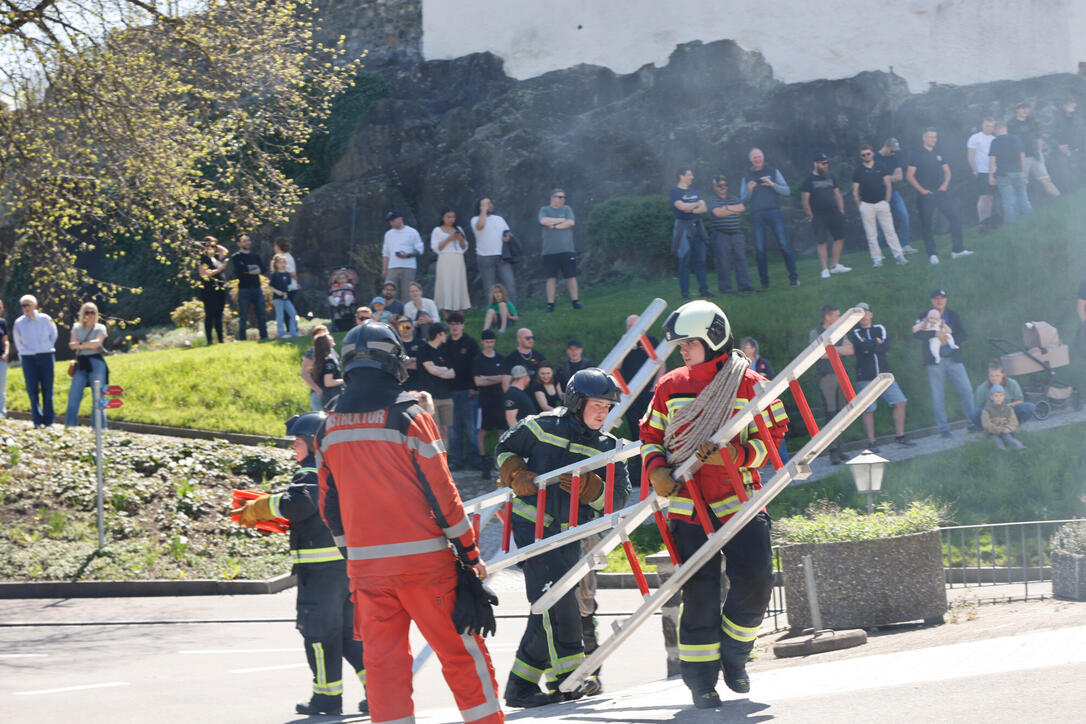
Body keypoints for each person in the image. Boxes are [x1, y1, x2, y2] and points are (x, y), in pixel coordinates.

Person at [316, 322, 503, 724]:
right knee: (461, 656)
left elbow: (328, 507)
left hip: (367, 571)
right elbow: (445, 496)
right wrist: (470, 555)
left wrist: (354, 555)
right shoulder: (410, 416)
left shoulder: (327, 425)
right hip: (425, 567)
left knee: (384, 669)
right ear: (394, 362)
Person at [640, 300, 787, 709]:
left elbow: (774, 437)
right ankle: (700, 681)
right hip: (688, 504)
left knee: (757, 580)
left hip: (740, 499)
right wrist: (656, 471)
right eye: (681, 345)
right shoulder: (669, 386)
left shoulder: (752, 384)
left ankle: (735, 657)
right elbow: (650, 435)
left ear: (713, 338)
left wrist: (738, 457)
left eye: (689, 343)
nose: (683, 350)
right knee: (700, 594)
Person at [496, 368, 630, 707]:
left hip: (572, 535)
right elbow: (503, 447)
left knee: (547, 607)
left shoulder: (610, 447)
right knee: (559, 599)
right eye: (597, 405)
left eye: (607, 407)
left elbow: (617, 499)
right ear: (575, 402)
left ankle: (520, 687)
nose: (603, 413)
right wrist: (516, 473)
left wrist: (592, 488)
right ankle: (569, 679)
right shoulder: (540, 426)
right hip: (534, 531)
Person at [232, 411, 367, 717]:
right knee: (348, 636)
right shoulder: (341, 470)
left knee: (318, 636)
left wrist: (264, 505)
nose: (293, 448)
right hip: (344, 571)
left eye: (297, 442)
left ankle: (326, 699)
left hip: (318, 576)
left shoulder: (309, 473)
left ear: (312, 442)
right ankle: (378, 690)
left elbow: (302, 503)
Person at [847, 303, 917, 451]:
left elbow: (885, 347)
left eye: (866, 312)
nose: (864, 316)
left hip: (885, 375)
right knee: (869, 409)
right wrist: (874, 343)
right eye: (860, 313)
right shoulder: (855, 331)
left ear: (871, 314)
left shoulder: (880, 328)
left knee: (901, 402)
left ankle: (900, 436)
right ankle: (871, 442)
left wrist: (871, 346)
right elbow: (863, 348)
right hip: (865, 376)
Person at [913, 289, 977, 438]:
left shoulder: (952, 315)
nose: (939, 301)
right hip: (935, 362)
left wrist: (948, 339)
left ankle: (972, 424)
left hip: (953, 358)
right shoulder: (924, 316)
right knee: (938, 396)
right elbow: (916, 333)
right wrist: (935, 334)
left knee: (967, 391)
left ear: (946, 300)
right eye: (936, 298)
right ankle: (943, 429)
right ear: (932, 301)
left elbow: (963, 334)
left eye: (942, 298)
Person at [906, 128, 973, 265]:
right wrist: (922, 190)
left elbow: (947, 172)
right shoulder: (917, 154)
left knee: (955, 217)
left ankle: (957, 250)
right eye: (931, 137)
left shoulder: (939, 152)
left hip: (941, 192)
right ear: (924, 138)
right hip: (926, 195)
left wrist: (945, 184)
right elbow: (909, 175)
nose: (933, 140)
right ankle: (932, 254)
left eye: (935, 137)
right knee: (927, 224)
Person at [741, 148, 798, 288]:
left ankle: (794, 278)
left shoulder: (773, 171)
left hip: (774, 212)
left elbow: (787, 191)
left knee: (784, 245)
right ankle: (764, 283)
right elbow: (743, 200)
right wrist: (750, 190)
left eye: (759, 156)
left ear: (763, 157)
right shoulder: (747, 177)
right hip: (756, 214)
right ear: (751, 159)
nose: (757, 159)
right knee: (760, 249)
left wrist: (772, 184)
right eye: (754, 157)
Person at [809, 304, 854, 464]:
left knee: (842, 413)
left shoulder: (840, 330)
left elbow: (850, 350)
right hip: (826, 377)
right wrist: (838, 349)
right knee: (830, 414)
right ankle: (833, 450)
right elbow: (819, 354)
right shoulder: (816, 332)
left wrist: (831, 349)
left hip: (841, 375)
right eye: (836, 315)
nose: (838, 318)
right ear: (827, 317)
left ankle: (840, 447)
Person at [852, 144, 907, 267]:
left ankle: (899, 255)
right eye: (863, 155)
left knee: (890, 231)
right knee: (871, 234)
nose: (866, 156)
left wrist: (886, 201)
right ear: (861, 156)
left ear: (872, 153)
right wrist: (859, 205)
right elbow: (855, 190)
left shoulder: (881, 166)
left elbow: (888, 184)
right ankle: (877, 259)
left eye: (868, 153)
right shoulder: (858, 170)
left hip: (882, 203)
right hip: (866, 205)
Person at [738, 336, 790, 463]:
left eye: (747, 346)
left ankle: (784, 464)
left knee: (777, 434)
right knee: (752, 438)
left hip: (767, 406)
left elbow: (773, 379)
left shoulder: (763, 363)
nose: (743, 349)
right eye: (742, 347)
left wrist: (761, 378)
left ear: (754, 348)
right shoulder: (739, 366)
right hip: (749, 408)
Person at [801, 153, 852, 279]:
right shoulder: (808, 180)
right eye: (823, 163)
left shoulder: (831, 177)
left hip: (834, 213)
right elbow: (805, 200)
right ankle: (824, 269)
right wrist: (811, 215)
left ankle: (834, 266)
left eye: (827, 163)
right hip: (819, 215)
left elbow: (837, 194)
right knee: (822, 242)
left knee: (840, 238)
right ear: (816, 164)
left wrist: (841, 210)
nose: (826, 165)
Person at [445, 312, 483, 471]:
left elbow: (478, 365)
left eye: (457, 323)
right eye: (451, 324)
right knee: (454, 428)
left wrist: (474, 387)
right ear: (448, 326)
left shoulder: (470, 343)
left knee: (470, 427)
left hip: (468, 392)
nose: (454, 326)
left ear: (462, 325)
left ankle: (474, 459)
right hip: (450, 392)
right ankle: (457, 460)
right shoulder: (445, 343)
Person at [12, 295, 58, 427]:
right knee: (32, 390)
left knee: (47, 389)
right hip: (28, 357)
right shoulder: (19, 322)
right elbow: (18, 340)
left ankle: (49, 421)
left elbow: (53, 335)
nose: (26, 308)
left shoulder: (46, 319)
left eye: (28, 305)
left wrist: (46, 348)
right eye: (23, 305)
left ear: (35, 305)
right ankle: (37, 420)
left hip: (46, 355)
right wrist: (24, 353)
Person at [64, 302, 109, 428]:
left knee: (98, 396)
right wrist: (87, 344)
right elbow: (72, 344)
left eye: (93, 312)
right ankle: (70, 426)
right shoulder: (76, 327)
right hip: (81, 362)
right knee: (74, 394)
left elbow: (98, 343)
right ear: (82, 314)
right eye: (87, 312)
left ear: (96, 314)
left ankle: (99, 428)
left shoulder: (100, 327)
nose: (90, 315)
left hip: (96, 362)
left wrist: (80, 344)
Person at [670, 167, 712, 300]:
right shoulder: (675, 192)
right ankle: (685, 294)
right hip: (683, 229)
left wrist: (690, 208)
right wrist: (696, 204)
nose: (692, 177)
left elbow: (704, 208)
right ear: (681, 176)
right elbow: (682, 207)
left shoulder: (694, 191)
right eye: (689, 175)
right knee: (684, 261)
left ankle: (704, 290)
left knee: (700, 260)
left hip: (697, 228)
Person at [707, 175, 754, 294]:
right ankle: (726, 290)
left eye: (725, 185)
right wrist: (733, 209)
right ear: (714, 187)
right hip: (721, 234)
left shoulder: (733, 197)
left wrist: (726, 208)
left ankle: (745, 287)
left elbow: (742, 208)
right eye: (720, 185)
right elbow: (717, 213)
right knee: (723, 262)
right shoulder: (712, 200)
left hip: (736, 234)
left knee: (741, 260)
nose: (723, 187)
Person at [538, 188, 582, 312]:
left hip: (566, 249)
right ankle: (550, 305)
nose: (563, 199)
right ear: (552, 198)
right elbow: (543, 220)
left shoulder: (567, 209)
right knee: (551, 278)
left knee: (571, 276)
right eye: (560, 197)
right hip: (549, 251)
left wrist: (554, 226)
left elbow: (571, 223)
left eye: (564, 197)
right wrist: (561, 220)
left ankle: (575, 302)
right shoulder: (544, 210)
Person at [875, 138, 919, 255]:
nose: (894, 153)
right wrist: (889, 177)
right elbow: (874, 179)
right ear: (886, 146)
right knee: (880, 225)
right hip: (878, 196)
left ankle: (905, 245)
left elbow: (899, 177)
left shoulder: (894, 158)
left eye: (895, 151)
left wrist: (886, 177)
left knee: (904, 216)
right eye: (892, 150)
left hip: (893, 193)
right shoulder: (874, 159)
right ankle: (877, 251)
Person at [1007, 101, 1060, 198]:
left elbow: (1039, 136)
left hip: (1035, 155)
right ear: (1016, 110)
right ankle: (1022, 207)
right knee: (1022, 183)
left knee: (1046, 180)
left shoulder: (1032, 120)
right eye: (1022, 108)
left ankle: (1060, 199)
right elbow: (1010, 142)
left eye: (1027, 108)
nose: (1025, 110)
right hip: (1021, 158)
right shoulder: (1011, 124)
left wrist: (1039, 152)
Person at [472, 197, 518, 304]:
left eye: (491, 203)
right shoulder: (474, 220)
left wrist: (507, 238)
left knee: (509, 284)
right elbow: (480, 226)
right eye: (487, 203)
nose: (491, 205)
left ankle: (512, 311)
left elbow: (508, 233)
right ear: (481, 206)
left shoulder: (499, 219)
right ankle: (492, 313)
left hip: (502, 256)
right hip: (485, 257)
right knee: (489, 288)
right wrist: (483, 210)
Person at [473, 329, 507, 469]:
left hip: (500, 399)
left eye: (492, 342)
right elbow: (478, 382)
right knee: (482, 431)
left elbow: (504, 378)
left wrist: (487, 378)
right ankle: (483, 458)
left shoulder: (500, 358)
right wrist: (497, 379)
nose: (489, 344)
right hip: (484, 401)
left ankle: (502, 458)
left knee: (502, 430)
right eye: (487, 342)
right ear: (482, 342)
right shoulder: (478, 360)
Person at [418, 323, 456, 443]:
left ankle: (446, 459)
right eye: (445, 333)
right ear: (438, 335)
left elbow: (452, 373)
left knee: (446, 430)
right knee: (434, 431)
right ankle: (435, 459)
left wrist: (440, 370)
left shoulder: (443, 350)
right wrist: (443, 370)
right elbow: (432, 370)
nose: (446, 335)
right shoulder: (424, 350)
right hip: (430, 397)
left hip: (446, 396)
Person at [988, 121, 1032, 224]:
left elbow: (992, 159)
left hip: (1004, 174)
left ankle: (1012, 225)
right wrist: (1023, 171)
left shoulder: (995, 141)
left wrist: (991, 175)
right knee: (1023, 196)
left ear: (996, 130)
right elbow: (1022, 155)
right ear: (1006, 129)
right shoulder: (1016, 138)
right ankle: (1030, 220)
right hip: (1018, 172)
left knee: (1008, 200)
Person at [971, 360, 1036, 428]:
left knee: (1029, 407)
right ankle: (989, 429)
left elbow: (1020, 401)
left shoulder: (1012, 383)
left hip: (1009, 412)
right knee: (974, 413)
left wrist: (1008, 406)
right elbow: (980, 407)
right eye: (991, 376)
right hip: (990, 415)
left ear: (1003, 375)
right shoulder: (982, 388)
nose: (994, 378)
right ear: (988, 376)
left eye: (997, 375)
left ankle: (1013, 427)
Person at [432, 208, 472, 316]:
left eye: (453, 217)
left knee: (458, 284)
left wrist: (460, 239)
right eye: (448, 217)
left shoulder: (458, 228)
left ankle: (460, 316)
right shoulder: (437, 230)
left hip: (458, 259)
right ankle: (447, 316)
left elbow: (464, 247)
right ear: (443, 217)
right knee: (445, 284)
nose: (451, 219)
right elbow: (437, 247)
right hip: (445, 259)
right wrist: (449, 238)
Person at [230, 233, 268, 341]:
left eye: (248, 240)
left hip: (257, 288)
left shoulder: (255, 256)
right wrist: (255, 269)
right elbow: (240, 270)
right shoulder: (236, 257)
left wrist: (248, 270)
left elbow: (264, 269)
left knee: (261, 314)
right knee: (243, 316)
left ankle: (264, 336)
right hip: (244, 290)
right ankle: (242, 338)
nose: (247, 242)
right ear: (239, 243)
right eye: (244, 241)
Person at [381, 211, 425, 300]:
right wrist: (384, 269)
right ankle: (391, 313)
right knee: (390, 293)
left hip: (408, 266)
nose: (392, 223)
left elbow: (420, 250)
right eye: (390, 221)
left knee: (408, 293)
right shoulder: (388, 234)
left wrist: (407, 255)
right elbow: (386, 253)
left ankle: (407, 313)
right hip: (392, 266)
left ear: (400, 219)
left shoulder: (412, 232)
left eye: (393, 220)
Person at [966, 119, 997, 231]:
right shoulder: (975, 138)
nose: (989, 128)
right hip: (981, 171)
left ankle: (987, 221)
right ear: (982, 125)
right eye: (987, 126)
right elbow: (970, 156)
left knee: (990, 197)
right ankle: (981, 222)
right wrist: (975, 170)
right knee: (983, 197)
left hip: (993, 172)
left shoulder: (994, 139)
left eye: (992, 126)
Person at [197, 237, 228, 345]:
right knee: (210, 314)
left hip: (219, 289)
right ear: (205, 247)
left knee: (219, 314)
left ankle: (221, 339)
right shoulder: (203, 259)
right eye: (211, 246)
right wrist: (220, 269)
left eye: (214, 246)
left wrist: (215, 245)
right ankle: (209, 340)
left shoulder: (216, 258)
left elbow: (225, 251)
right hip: (209, 290)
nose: (213, 248)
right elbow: (203, 274)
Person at [981, 385, 1026, 451]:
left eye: (1001, 395)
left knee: (1009, 438)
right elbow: (986, 423)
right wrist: (997, 429)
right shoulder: (987, 410)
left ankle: (1019, 447)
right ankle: (1002, 450)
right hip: (992, 432)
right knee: (996, 440)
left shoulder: (1008, 409)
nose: (999, 398)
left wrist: (1009, 428)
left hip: (1005, 431)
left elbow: (1014, 421)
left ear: (1004, 396)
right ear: (991, 397)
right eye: (996, 396)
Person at [1052, 97, 1082, 193]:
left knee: (1076, 169)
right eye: (1073, 103)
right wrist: (1059, 146)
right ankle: (1068, 192)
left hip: (1075, 148)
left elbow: (1079, 132)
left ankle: (1077, 189)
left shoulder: (1075, 117)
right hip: (1062, 150)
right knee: (1065, 172)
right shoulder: (1057, 118)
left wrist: (1078, 146)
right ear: (1067, 103)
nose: (1075, 105)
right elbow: (1050, 135)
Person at [301, 325, 333, 411]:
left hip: (331, 395)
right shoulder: (312, 352)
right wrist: (318, 390)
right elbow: (304, 374)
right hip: (319, 395)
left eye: (327, 334)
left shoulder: (331, 351)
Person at [274, 237, 303, 328]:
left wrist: (295, 282)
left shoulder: (285, 257)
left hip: (289, 287)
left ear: (278, 246)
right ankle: (290, 329)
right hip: (289, 286)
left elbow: (291, 273)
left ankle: (291, 329)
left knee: (288, 311)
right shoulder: (287, 256)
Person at [269, 254, 299, 338]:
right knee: (280, 316)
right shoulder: (274, 275)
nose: (282, 264)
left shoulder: (287, 274)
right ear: (276, 264)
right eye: (280, 263)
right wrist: (277, 292)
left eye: (284, 262)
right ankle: (281, 334)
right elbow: (270, 286)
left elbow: (288, 285)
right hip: (277, 299)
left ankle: (294, 332)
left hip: (286, 299)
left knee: (294, 315)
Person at [314, 333, 343, 409]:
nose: (332, 338)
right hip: (332, 397)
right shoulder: (329, 361)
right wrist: (345, 380)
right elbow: (328, 382)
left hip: (327, 397)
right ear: (326, 343)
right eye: (329, 338)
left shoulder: (322, 359)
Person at [0, 299, 8, 418]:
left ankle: (1, 413)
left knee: (1, 388)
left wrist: (6, 353)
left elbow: (6, 341)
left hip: (1, 358)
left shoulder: (2, 322)